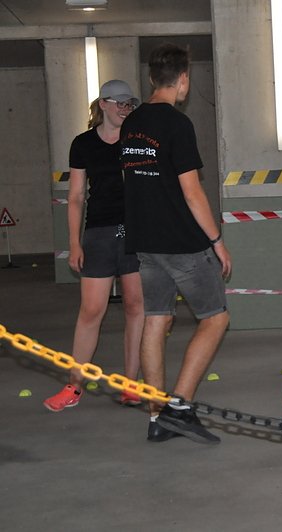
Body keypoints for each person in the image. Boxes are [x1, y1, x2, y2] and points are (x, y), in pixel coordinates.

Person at [121, 43, 231, 445]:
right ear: (183, 79)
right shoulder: (177, 125)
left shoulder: (132, 124)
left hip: (145, 243)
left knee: (157, 318)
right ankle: (180, 407)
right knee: (216, 318)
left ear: (152, 79)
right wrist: (216, 240)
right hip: (182, 244)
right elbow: (192, 192)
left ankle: (156, 415)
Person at [44, 80, 145, 412]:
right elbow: (75, 198)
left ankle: (131, 383)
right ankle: (74, 386)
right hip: (99, 234)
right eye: (119, 103)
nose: (125, 109)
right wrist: (74, 244)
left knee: (135, 308)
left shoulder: (138, 141)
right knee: (91, 312)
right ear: (103, 104)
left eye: (130, 104)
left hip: (136, 233)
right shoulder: (83, 144)